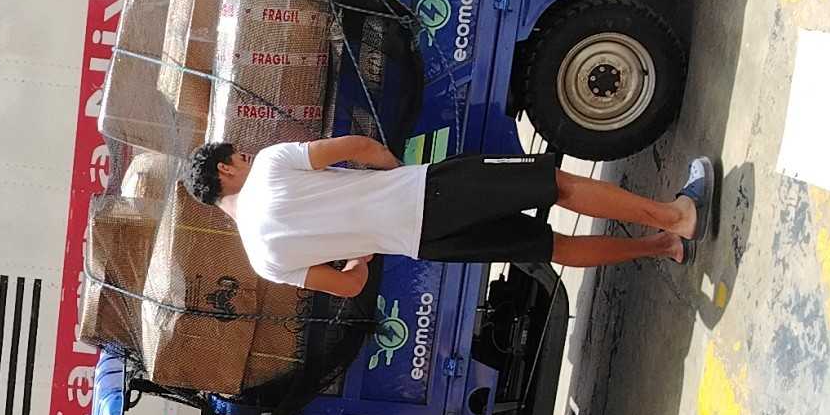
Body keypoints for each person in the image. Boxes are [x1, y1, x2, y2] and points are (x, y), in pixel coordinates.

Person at [188, 136, 715, 294]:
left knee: (548, 247)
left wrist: (357, 255)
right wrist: (395, 172)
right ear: (226, 170)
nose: (248, 157)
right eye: (239, 156)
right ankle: (674, 217)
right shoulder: (272, 166)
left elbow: (350, 286)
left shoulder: (263, 261)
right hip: (427, 193)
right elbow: (361, 147)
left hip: (424, 245)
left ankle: (662, 247)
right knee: (552, 185)